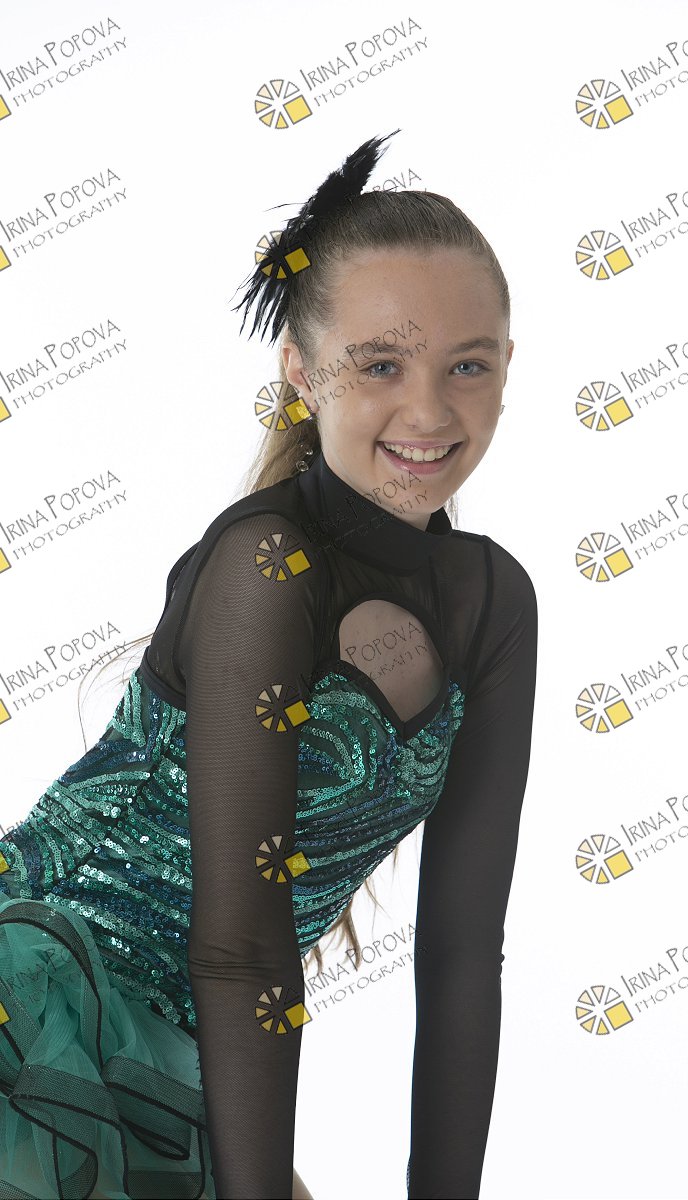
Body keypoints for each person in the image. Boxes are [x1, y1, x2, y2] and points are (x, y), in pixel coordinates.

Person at [0, 130, 538, 1200]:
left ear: (507, 367)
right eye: (380, 364)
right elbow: (239, 951)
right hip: (43, 1003)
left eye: (466, 365)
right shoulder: (267, 565)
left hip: (186, 1057)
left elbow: (461, 952)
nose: (429, 411)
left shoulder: (493, 602)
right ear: (300, 372)